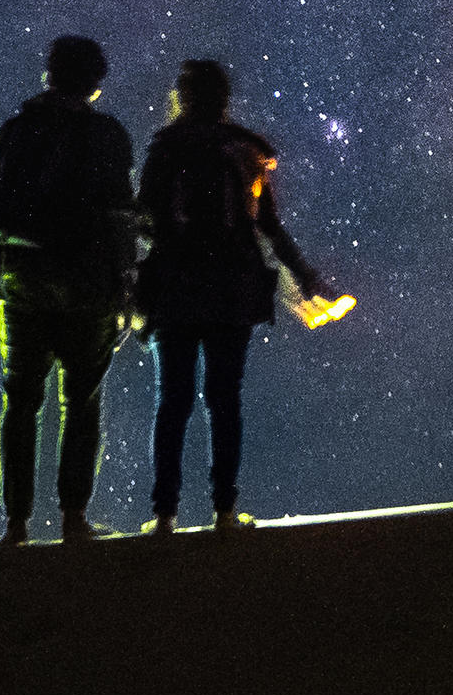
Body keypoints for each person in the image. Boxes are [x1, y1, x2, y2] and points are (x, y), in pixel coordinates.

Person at [136, 56, 332, 534]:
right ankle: (225, 511)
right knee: (224, 400)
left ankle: (164, 515)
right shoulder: (247, 150)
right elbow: (268, 225)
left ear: (180, 97)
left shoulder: (165, 147)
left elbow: (144, 219)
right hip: (231, 288)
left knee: (172, 400)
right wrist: (305, 276)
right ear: (224, 98)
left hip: (176, 288)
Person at [0, 31, 139, 543]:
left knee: (20, 400)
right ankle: (73, 520)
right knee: (82, 398)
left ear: (49, 72)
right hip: (88, 282)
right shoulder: (108, 135)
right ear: (95, 81)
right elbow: (119, 218)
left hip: (22, 277)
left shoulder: (17, 131)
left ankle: (16, 525)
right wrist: (125, 286)